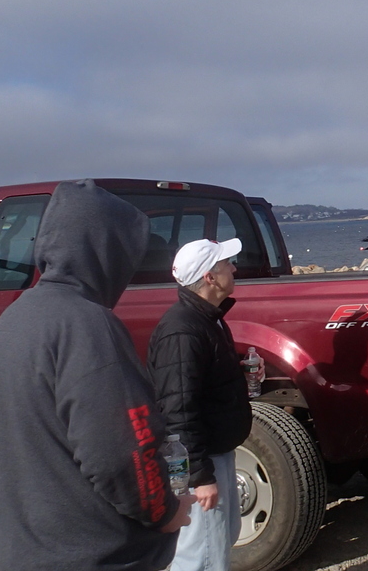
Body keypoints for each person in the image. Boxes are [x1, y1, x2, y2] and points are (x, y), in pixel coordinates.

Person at [0, 180, 193, 571]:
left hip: (19, 549)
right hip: (88, 554)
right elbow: (120, 452)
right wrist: (165, 511)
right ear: (108, 252)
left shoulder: (16, 316)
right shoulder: (87, 324)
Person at [148, 238, 255, 571]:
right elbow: (177, 409)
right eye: (227, 263)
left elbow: (199, 383)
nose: (234, 268)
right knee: (203, 556)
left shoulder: (208, 319)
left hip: (216, 453)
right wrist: (199, 476)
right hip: (203, 460)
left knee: (220, 540)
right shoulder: (183, 330)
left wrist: (239, 371)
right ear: (209, 277)